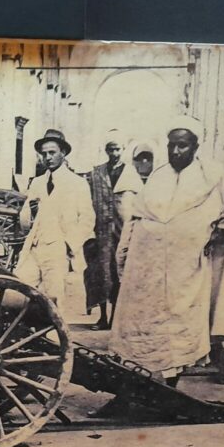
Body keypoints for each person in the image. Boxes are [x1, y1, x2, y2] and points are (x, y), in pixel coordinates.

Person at [110, 116, 224, 385]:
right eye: (172, 145)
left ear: (195, 146)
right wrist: (126, 254)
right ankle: (137, 383)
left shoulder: (213, 175)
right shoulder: (158, 176)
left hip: (185, 269)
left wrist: (219, 230)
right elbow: (137, 216)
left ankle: (170, 387)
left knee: (177, 325)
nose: (176, 151)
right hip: (146, 265)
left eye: (183, 145)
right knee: (141, 322)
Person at [13, 129, 94, 306]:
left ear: (63, 153)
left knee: (54, 298)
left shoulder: (77, 183)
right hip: (34, 247)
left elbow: (87, 220)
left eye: (52, 152)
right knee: (20, 291)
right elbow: (25, 220)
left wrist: (69, 245)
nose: (48, 157)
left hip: (58, 249)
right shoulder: (37, 182)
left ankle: (54, 326)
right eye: (44, 154)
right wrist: (31, 213)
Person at [84, 131, 143, 330]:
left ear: (123, 149)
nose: (114, 153)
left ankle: (117, 317)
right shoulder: (97, 173)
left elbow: (139, 202)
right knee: (101, 273)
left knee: (120, 272)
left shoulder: (130, 173)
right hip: (100, 231)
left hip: (122, 231)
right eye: (110, 149)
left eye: (117, 149)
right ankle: (102, 317)